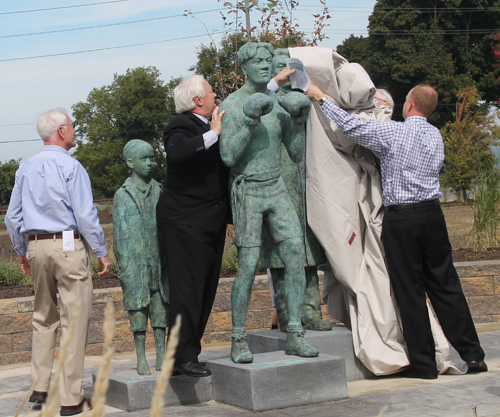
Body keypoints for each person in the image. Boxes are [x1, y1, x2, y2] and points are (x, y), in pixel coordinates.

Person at [305, 84, 487, 378]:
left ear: (410, 104)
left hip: (402, 218)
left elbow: (351, 127)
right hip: (433, 215)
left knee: (409, 290)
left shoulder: (395, 132)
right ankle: (473, 353)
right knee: (446, 285)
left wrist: (320, 97)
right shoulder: (435, 136)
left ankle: (424, 365)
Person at [4, 108, 112, 415]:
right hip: (68, 247)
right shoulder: (72, 167)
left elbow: (13, 217)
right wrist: (101, 250)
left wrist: (21, 250)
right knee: (74, 321)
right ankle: (69, 397)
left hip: (37, 247)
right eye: (73, 126)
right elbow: (85, 214)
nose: (76, 131)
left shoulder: (25, 168)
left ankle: (40, 386)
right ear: (61, 131)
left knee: (43, 316)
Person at [219, 42, 319, 363]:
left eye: (267, 61)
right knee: (248, 266)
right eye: (258, 62)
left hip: (276, 186)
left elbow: (296, 153)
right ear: (245, 67)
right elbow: (228, 156)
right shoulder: (231, 105)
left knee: (295, 255)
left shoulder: (278, 103)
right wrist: (249, 121)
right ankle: (238, 338)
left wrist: (299, 119)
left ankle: (294, 333)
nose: (265, 66)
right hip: (248, 189)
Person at [156, 75, 230, 378]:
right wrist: (213, 133)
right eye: (212, 92)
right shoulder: (181, 125)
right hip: (185, 221)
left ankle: (185, 353)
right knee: (187, 290)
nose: (217, 96)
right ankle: (183, 357)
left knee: (205, 289)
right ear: (198, 100)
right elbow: (178, 152)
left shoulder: (212, 122)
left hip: (210, 220)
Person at [262, 48, 331, 331]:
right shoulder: (267, 101)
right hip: (278, 189)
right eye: (282, 67)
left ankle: (312, 312)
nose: (289, 72)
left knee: (308, 254)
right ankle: (288, 315)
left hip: (308, 188)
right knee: (281, 257)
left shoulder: (309, 100)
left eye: (293, 67)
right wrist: (275, 85)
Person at [113, 139, 169, 376]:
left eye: (151, 158)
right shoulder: (122, 195)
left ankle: (162, 354)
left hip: (159, 260)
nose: (149, 163)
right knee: (137, 312)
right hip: (136, 264)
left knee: (160, 309)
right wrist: (125, 266)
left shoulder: (160, 190)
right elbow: (119, 236)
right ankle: (140, 357)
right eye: (144, 159)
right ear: (130, 163)